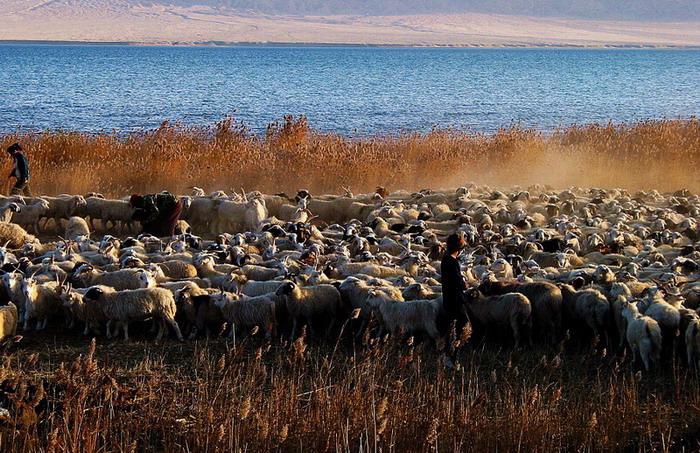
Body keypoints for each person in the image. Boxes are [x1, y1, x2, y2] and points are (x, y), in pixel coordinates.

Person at [441, 232, 470, 369]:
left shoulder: (445, 260)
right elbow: (457, 282)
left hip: (448, 299)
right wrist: (465, 284)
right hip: (456, 300)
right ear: (460, 250)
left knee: (452, 327)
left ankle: (448, 356)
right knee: (462, 327)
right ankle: (453, 359)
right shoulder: (452, 262)